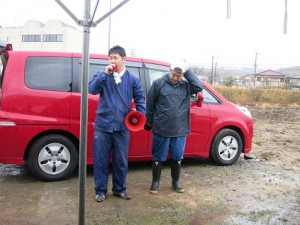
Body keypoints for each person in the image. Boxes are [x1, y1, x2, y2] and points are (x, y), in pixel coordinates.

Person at [89, 45, 146, 202]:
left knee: (121, 160)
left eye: (115, 58)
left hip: (122, 126)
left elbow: (140, 98)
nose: (112, 60)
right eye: (110, 58)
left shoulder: (133, 79)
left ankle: (119, 189)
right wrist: (104, 74)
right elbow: (92, 89)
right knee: (101, 159)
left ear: (124, 59)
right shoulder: (102, 75)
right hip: (103, 126)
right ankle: (100, 190)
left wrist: (140, 114)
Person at [145, 62, 203, 194]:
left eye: (179, 75)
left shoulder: (186, 86)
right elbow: (150, 103)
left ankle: (175, 181)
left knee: (177, 156)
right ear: (169, 71)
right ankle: (155, 182)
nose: (176, 78)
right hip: (161, 127)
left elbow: (199, 86)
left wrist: (187, 71)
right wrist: (149, 121)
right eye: (174, 74)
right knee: (158, 156)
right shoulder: (159, 83)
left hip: (179, 128)